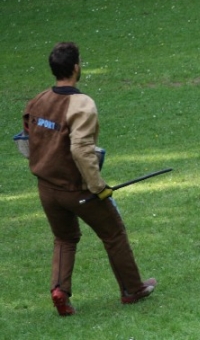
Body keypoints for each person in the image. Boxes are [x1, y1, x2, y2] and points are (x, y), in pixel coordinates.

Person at [23, 42, 156, 316]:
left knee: (64, 238)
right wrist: (98, 187)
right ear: (75, 67)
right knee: (114, 234)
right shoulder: (81, 104)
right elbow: (81, 149)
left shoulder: (38, 100)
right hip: (77, 190)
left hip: (46, 187)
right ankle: (132, 289)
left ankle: (60, 291)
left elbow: (27, 137)